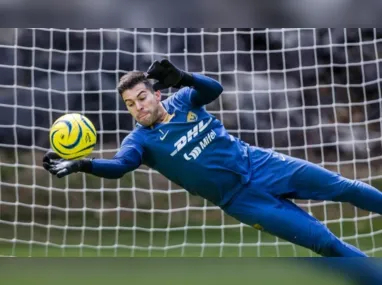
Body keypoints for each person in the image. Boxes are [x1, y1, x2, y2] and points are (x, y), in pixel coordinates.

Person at [43, 59, 382, 257]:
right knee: (324, 243)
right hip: (242, 201)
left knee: (345, 187)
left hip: (261, 164)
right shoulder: (139, 141)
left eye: (142, 97)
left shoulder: (182, 102)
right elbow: (120, 167)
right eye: (130, 104)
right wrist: (83, 163)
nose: (138, 107)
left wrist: (184, 77)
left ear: (157, 93)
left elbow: (213, 90)